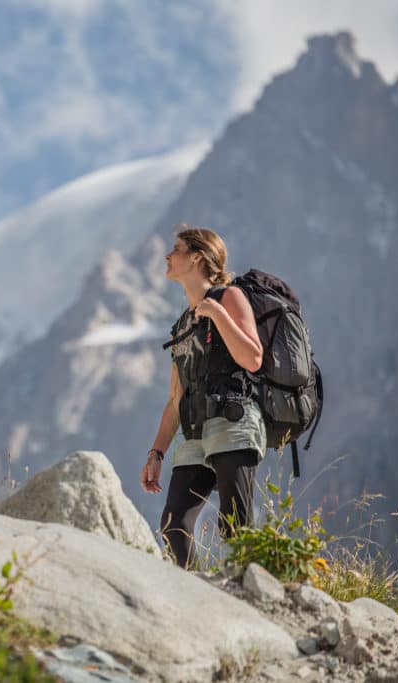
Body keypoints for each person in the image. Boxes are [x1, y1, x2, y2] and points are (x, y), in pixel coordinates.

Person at [140, 225, 265, 568]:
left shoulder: (229, 298)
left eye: (176, 249)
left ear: (196, 257)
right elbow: (174, 398)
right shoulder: (182, 325)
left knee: (235, 525)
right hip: (195, 433)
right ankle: (198, 598)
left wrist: (219, 316)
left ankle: (252, 599)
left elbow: (253, 358)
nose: (167, 256)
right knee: (172, 524)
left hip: (232, 422)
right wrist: (157, 453)